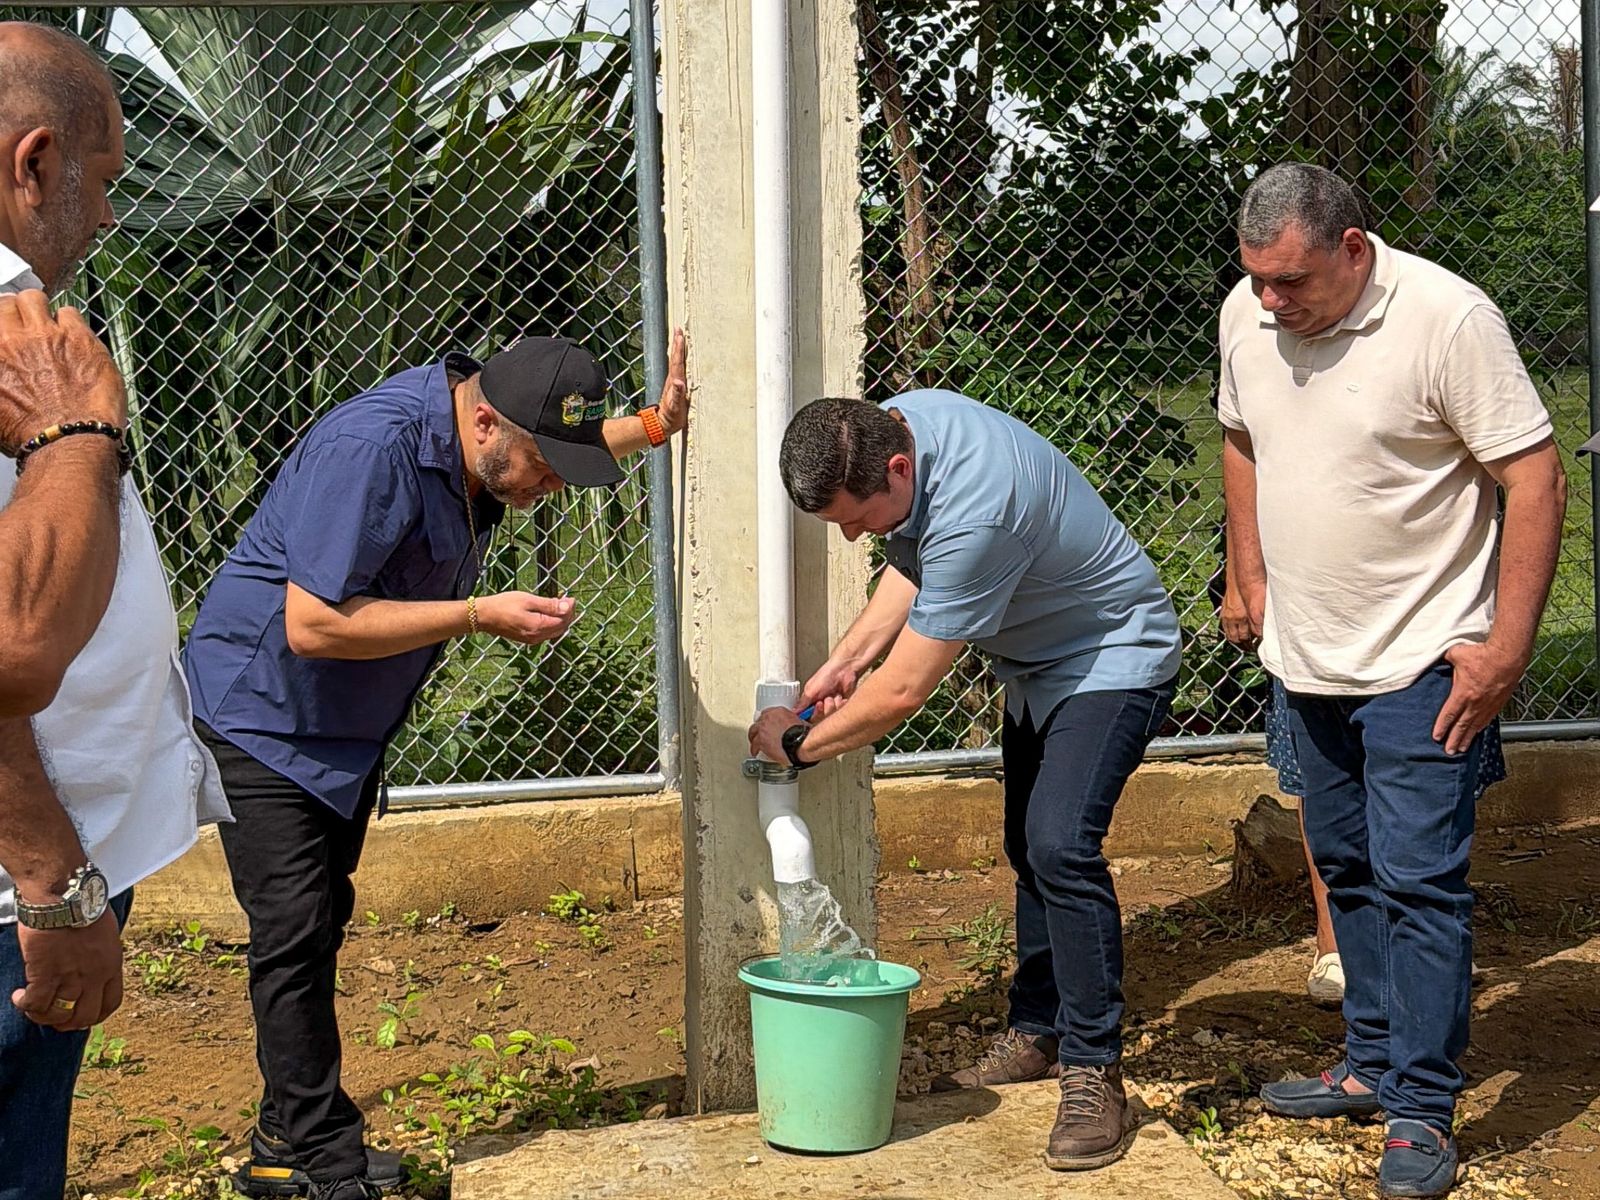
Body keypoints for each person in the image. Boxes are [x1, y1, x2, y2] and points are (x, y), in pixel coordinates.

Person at [182, 329, 689, 1200]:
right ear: (485, 423)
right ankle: (321, 1163)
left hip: (335, 728)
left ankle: (282, 1141)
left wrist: (652, 425)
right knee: (293, 936)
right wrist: (476, 614)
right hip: (262, 715)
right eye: (547, 468)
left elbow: (543, 443)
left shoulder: (481, 430)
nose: (551, 487)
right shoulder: (371, 450)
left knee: (318, 921)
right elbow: (313, 624)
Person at [1219, 162, 1564, 1198]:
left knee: (1418, 883)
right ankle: (1370, 1060)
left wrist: (1505, 647)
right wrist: (1248, 572)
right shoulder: (1248, 314)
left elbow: (1535, 476)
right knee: (1347, 865)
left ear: (1354, 249)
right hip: (1307, 658)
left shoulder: (1449, 321)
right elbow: (1238, 436)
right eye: (1257, 278)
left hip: (1425, 660)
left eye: (1291, 281)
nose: (1270, 301)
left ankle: (1420, 1107)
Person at [749, 391, 1181, 1171]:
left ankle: (1095, 1074)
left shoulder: (981, 510)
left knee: (1060, 845)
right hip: (1041, 666)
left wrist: (799, 747)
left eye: (855, 518)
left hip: (1113, 655)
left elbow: (904, 691)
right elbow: (911, 567)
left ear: (897, 467)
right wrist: (845, 662)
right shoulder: (898, 422)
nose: (851, 535)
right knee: (1029, 846)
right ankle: (1039, 1032)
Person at [0, 23, 229, 1200]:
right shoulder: (17, 349)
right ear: (33, 163)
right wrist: (50, 883)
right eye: (99, 181)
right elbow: (10, 651)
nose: (104, 216)